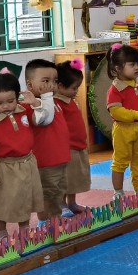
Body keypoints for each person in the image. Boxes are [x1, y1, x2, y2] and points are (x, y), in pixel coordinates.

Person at [0, 70, 51, 241]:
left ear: (17, 97)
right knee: (0, 200)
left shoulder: (24, 110)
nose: (6, 106)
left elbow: (41, 119)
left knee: (25, 198)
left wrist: (35, 103)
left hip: (26, 163)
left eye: (10, 101)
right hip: (4, 166)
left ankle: (24, 229)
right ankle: (2, 232)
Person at [24, 59, 69, 229]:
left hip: (60, 158)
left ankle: (55, 220)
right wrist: (44, 99)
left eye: (54, 81)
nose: (51, 85)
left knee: (58, 192)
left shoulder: (53, 102)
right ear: (30, 85)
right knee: (47, 194)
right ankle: (44, 223)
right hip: (46, 161)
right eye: (45, 81)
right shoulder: (31, 105)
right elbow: (43, 120)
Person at [106, 44, 138, 197]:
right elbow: (116, 111)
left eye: (137, 63)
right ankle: (118, 192)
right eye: (132, 64)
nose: (137, 67)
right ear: (118, 68)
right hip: (123, 130)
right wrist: (137, 114)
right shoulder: (115, 89)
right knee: (120, 162)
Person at [55, 62, 91, 214]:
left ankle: (72, 203)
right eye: (74, 88)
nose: (76, 91)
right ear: (60, 86)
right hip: (67, 148)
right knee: (66, 179)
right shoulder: (56, 103)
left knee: (75, 178)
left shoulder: (70, 100)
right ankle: (61, 205)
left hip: (78, 145)